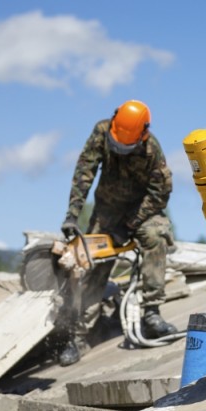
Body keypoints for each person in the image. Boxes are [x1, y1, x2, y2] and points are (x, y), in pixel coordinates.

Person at [57, 99, 177, 366]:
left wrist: (132, 224)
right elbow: (84, 171)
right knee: (93, 262)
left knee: (156, 236)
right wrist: (72, 215)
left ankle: (152, 314)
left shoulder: (151, 149)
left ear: (143, 134)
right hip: (107, 211)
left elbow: (161, 191)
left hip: (142, 210)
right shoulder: (102, 131)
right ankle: (79, 336)